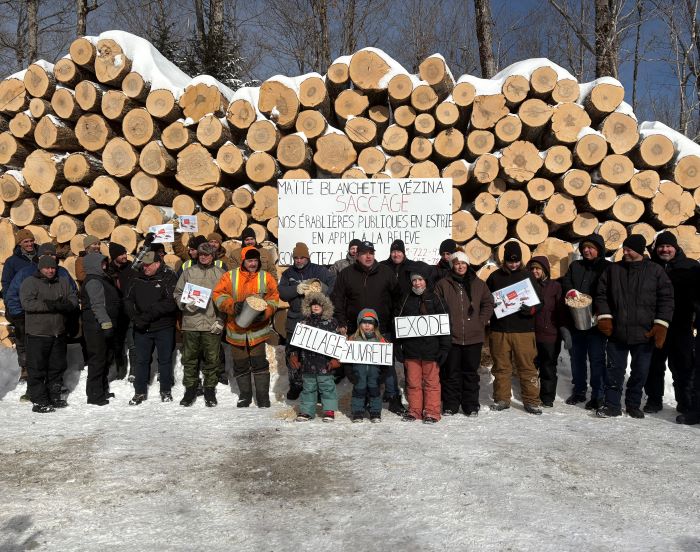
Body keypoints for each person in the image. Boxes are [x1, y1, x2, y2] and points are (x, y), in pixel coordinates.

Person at [595, 234, 674, 418]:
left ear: (639, 251)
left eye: (629, 249)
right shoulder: (613, 270)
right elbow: (601, 294)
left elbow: (667, 299)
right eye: (624, 249)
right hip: (618, 332)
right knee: (614, 371)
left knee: (640, 372)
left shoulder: (655, 271)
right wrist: (605, 317)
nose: (625, 252)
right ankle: (612, 405)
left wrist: (661, 325)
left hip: (644, 333)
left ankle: (633, 404)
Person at [330, 240, 404, 414]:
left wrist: (394, 319)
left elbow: (398, 297)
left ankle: (393, 397)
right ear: (357, 255)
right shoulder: (346, 274)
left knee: (387, 364)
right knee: (360, 367)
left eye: (371, 252)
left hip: (382, 327)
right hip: (356, 329)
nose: (368, 256)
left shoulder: (386, 272)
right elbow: (337, 298)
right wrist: (341, 322)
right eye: (364, 253)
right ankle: (362, 399)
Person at [213, 246, 279, 408]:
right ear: (243, 261)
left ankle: (263, 396)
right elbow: (218, 295)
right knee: (240, 363)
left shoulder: (266, 277)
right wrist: (232, 306)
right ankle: (245, 395)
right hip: (236, 330)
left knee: (259, 363)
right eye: (250, 260)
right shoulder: (230, 276)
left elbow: (274, 298)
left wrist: (266, 312)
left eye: (255, 260)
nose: (253, 264)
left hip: (258, 331)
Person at [4, 243, 77, 386]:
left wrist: (67, 307)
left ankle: (55, 381)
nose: (50, 258)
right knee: (29, 348)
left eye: (52, 254)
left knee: (55, 352)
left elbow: (72, 291)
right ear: (39, 255)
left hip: (56, 320)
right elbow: (12, 294)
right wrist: (19, 315)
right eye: (46, 254)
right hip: (30, 318)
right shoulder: (26, 272)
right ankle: (26, 371)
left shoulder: (61, 272)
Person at [643, 231, 699, 414]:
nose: (665, 249)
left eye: (668, 246)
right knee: (654, 365)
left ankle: (685, 402)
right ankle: (653, 400)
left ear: (675, 248)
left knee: (683, 366)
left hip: (681, 325)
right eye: (661, 246)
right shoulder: (649, 267)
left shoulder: (690, 266)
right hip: (657, 325)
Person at [486, 241, 543, 415]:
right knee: (501, 367)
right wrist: (492, 307)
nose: (514, 264)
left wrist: (531, 309)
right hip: (500, 330)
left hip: (523, 330)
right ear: (504, 260)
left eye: (516, 261)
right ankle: (502, 399)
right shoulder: (494, 277)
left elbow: (540, 302)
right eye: (510, 261)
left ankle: (532, 401)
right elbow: (486, 300)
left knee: (527, 367)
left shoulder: (528, 276)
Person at [434, 251, 494, 416]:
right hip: (451, 337)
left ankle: (471, 405)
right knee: (451, 373)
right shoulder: (443, 284)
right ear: (452, 265)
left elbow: (488, 303)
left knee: (470, 374)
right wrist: (444, 325)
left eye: (463, 263)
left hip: (473, 337)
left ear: (467, 265)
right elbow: (436, 306)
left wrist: (480, 321)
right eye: (457, 263)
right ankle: (450, 405)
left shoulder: (478, 284)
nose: (460, 266)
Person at [19, 256, 78, 413]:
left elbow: (73, 297)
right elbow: (27, 303)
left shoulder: (63, 281)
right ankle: (39, 401)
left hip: (58, 333)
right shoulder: (30, 282)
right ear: (40, 268)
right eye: (47, 268)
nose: (50, 270)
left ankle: (54, 396)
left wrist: (67, 305)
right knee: (37, 369)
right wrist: (49, 305)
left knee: (56, 367)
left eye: (53, 268)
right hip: (38, 334)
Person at [278, 242, 335, 399]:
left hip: (314, 319)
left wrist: (321, 291)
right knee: (292, 353)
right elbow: (282, 293)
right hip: (295, 318)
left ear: (307, 257)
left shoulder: (319, 270)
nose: (299, 260)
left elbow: (332, 284)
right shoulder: (288, 273)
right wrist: (295, 289)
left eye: (302, 257)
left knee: (314, 355)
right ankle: (296, 384)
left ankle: (316, 387)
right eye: (296, 257)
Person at [560, 234, 611, 410]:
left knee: (597, 359)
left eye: (591, 247)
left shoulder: (607, 267)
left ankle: (598, 393)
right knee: (577, 358)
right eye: (584, 248)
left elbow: (611, 290)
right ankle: (579, 390)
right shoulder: (576, 266)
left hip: (597, 322)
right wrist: (571, 291)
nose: (587, 250)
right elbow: (566, 282)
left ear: (599, 249)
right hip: (577, 320)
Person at [394, 269, 451, 424]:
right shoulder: (405, 299)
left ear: (426, 280)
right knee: (413, 383)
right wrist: (397, 346)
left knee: (431, 383)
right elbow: (397, 324)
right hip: (411, 350)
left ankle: (432, 412)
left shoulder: (436, 298)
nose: (417, 283)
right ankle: (415, 410)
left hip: (431, 350)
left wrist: (444, 348)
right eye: (414, 280)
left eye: (420, 280)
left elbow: (445, 325)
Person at [123, 250, 179, 405]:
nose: (145, 268)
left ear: (157, 264)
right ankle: (139, 392)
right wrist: (135, 318)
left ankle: (165, 390)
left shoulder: (168, 276)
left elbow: (170, 302)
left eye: (148, 265)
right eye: (144, 265)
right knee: (141, 360)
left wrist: (146, 316)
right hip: (142, 327)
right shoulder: (136, 277)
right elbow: (127, 299)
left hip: (163, 327)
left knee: (165, 360)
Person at [174, 243, 226, 407]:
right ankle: (190, 389)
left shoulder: (220, 274)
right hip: (191, 323)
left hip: (211, 323)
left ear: (213, 256)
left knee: (212, 359)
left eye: (207, 254)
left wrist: (221, 321)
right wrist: (184, 304)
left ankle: (210, 389)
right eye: (201, 254)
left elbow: (226, 299)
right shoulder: (188, 272)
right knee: (189, 359)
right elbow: (177, 292)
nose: (204, 257)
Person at [291, 293, 340, 422]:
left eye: (318, 304)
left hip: (325, 363)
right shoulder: (303, 323)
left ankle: (329, 410)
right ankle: (307, 411)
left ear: (325, 306)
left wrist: (336, 359)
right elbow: (296, 342)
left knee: (327, 387)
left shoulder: (332, 322)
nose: (316, 307)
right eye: (313, 304)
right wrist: (294, 355)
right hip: (307, 362)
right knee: (308, 388)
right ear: (308, 307)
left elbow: (338, 343)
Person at [81, 252, 120, 406]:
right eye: (102, 263)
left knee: (105, 359)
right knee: (97, 360)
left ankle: (102, 389)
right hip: (96, 328)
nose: (105, 266)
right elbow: (97, 305)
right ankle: (94, 395)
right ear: (94, 265)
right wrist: (106, 323)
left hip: (103, 326)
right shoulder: (93, 282)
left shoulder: (102, 279)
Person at [527, 256, 565, 408]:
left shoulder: (555, 286)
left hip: (550, 334)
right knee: (530, 367)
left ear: (545, 270)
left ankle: (547, 397)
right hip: (530, 333)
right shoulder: (527, 286)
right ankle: (531, 395)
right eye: (532, 269)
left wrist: (563, 329)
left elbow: (560, 310)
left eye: (538, 268)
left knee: (548, 367)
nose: (535, 271)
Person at [2, 229, 37, 381]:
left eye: (31, 241)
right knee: (22, 338)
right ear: (19, 244)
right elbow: (6, 284)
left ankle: (40, 366)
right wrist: (11, 305)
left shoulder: (40, 257)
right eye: (26, 242)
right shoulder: (12, 262)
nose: (30, 244)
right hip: (20, 306)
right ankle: (25, 368)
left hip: (38, 305)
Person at [348, 309, 388, 423]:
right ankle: (357, 412)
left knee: (375, 391)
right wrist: (350, 373)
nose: (367, 325)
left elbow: (386, 360)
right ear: (359, 323)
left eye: (370, 323)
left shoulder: (380, 340)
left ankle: (375, 412)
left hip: (374, 374)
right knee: (358, 391)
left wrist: (383, 374)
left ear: (374, 325)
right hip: (358, 373)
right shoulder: (353, 339)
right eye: (364, 322)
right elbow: (347, 360)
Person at [106, 241, 135, 381]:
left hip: (130, 310)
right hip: (116, 313)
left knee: (133, 343)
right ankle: (120, 371)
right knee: (118, 344)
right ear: (114, 256)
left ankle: (134, 372)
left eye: (125, 253)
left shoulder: (131, 267)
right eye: (121, 254)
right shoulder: (108, 270)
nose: (125, 256)